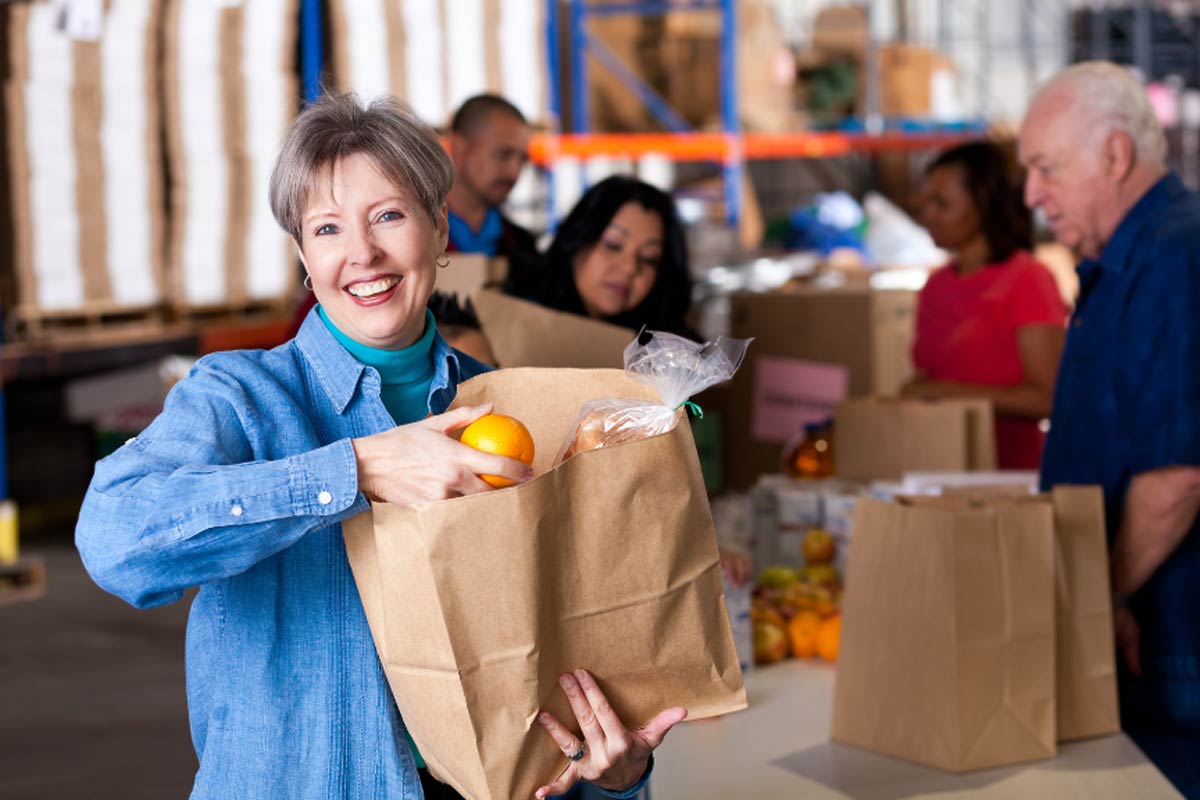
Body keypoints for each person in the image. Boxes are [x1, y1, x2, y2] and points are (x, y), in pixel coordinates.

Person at [75, 93, 684, 800]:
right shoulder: (238, 397)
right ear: (304, 256)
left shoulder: (517, 410)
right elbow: (113, 540)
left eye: (389, 216)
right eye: (327, 228)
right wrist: (354, 471)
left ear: (440, 229)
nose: (361, 254)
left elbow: (571, 647)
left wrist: (617, 774)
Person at [1021, 61, 1200, 797]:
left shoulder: (1173, 260)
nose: (1033, 194)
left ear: (1115, 155)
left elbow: (1178, 477)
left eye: (1045, 168)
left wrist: (1106, 598)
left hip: (1170, 648)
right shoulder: (1128, 259)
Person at [903, 140, 1068, 469]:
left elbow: (1048, 398)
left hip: (1011, 475)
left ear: (984, 206)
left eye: (942, 204)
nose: (927, 215)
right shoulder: (935, 285)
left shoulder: (1028, 280)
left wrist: (946, 394)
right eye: (925, 202)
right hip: (940, 465)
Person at [505, 175, 695, 339]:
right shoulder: (514, 320)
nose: (630, 267)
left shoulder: (671, 355)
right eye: (613, 245)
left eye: (648, 258)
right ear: (577, 240)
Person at [445, 94, 539, 269]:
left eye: (522, 160)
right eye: (503, 154)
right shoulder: (412, 239)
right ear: (459, 148)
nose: (514, 172)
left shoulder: (524, 248)